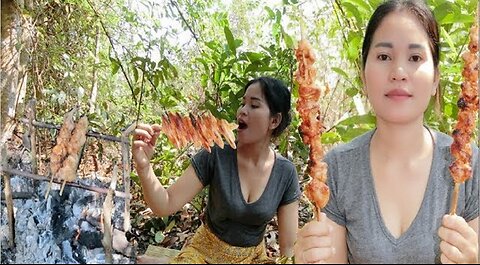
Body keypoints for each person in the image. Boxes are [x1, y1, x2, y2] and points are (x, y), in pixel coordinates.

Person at [294, 0, 479, 263]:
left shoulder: (471, 166)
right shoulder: (336, 169)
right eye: (383, 57)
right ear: (363, 74)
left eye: (415, 58)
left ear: (436, 77)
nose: (399, 72)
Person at [132, 76, 300, 263]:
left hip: (252, 259)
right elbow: (165, 203)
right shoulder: (216, 154)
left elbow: (288, 248)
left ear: (274, 121)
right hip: (205, 254)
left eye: (254, 105)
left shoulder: (285, 173)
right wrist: (144, 166)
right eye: (243, 103)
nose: (242, 111)